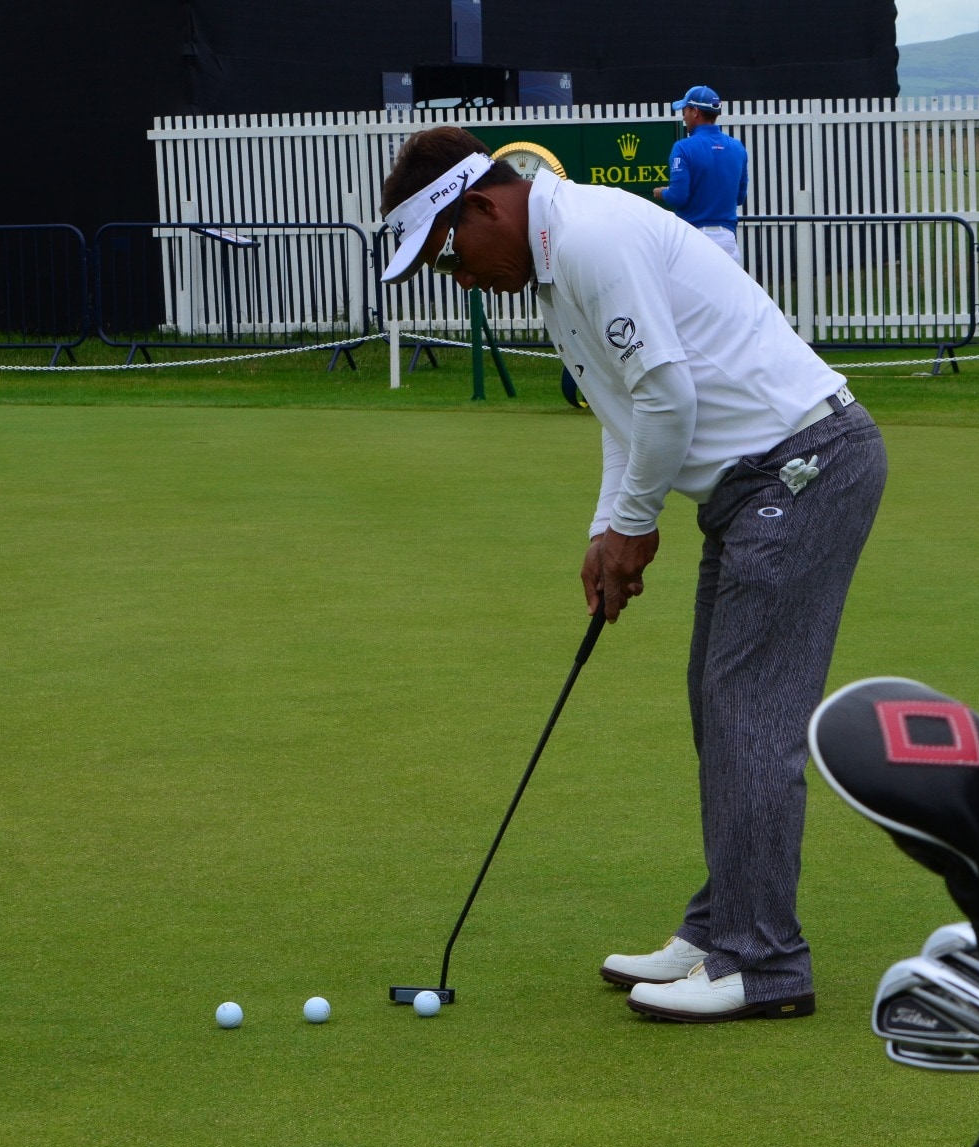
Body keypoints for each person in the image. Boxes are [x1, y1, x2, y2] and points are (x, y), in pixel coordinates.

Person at [377, 127, 887, 1022]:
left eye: (451, 257)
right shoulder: (553, 266)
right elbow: (626, 411)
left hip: (804, 467)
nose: (460, 283)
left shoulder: (588, 239)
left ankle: (764, 964)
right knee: (717, 701)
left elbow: (670, 397)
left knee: (748, 715)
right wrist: (605, 529)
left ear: (486, 206)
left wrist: (637, 526)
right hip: (754, 487)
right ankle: (722, 929)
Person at [651, 85, 749, 265]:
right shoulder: (737, 148)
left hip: (693, 238)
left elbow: (678, 197)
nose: (683, 115)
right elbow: (740, 197)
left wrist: (661, 192)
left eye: (685, 110)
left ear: (695, 112)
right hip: (728, 241)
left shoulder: (683, 148)